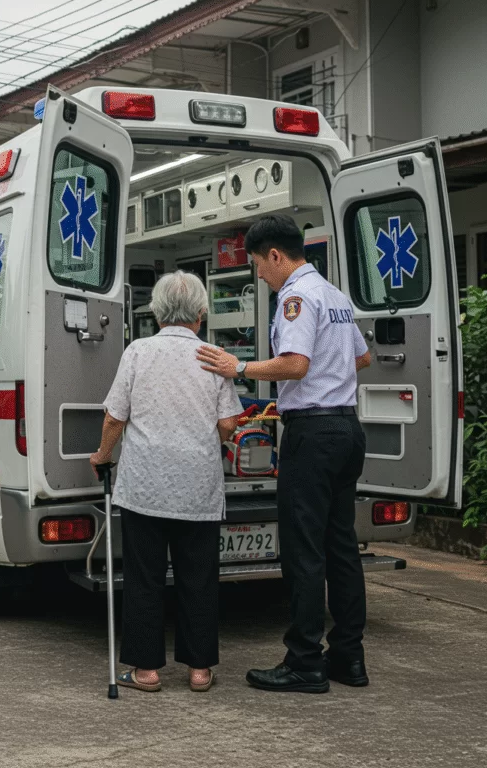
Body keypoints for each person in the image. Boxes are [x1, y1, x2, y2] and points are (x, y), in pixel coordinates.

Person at [197, 214, 372, 694]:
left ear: (275, 255)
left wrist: (241, 367)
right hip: (346, 429)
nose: (257, 274)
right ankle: (348, 659)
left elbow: (294, 364)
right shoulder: (335, 296)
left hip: (312, 436)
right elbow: (361, 358)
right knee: (341, 550)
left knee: (303, 551)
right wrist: (319, 382)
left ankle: (304, 662)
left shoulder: (295, 296)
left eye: (257, 264)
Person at [90, 270, 242, 693]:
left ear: (157, 313)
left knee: (145, 577)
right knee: (199, 577)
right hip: (198, 487)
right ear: (200, 313)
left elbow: (115, 416)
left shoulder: (139, 351)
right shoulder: (213, 356)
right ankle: (198, 670)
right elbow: (228, 423)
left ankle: (146, 670)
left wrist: (102, 455)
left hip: (145, 487)